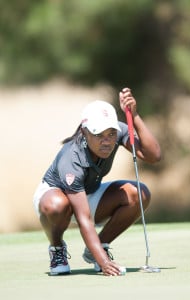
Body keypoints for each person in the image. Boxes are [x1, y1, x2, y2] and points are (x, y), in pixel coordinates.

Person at [33, 87, 161, 276]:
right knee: (57, 205)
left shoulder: (116, 131)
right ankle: (57, 247)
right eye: (99, 135)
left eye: (111, 134)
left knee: (139, 194)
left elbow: (153, 155)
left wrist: (134, 116)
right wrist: (105, 263)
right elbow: (84, 218)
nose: (107, 141)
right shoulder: (72, 157)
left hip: (88, 194)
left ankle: (99, 247)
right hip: (55, 199)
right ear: (85, 132)